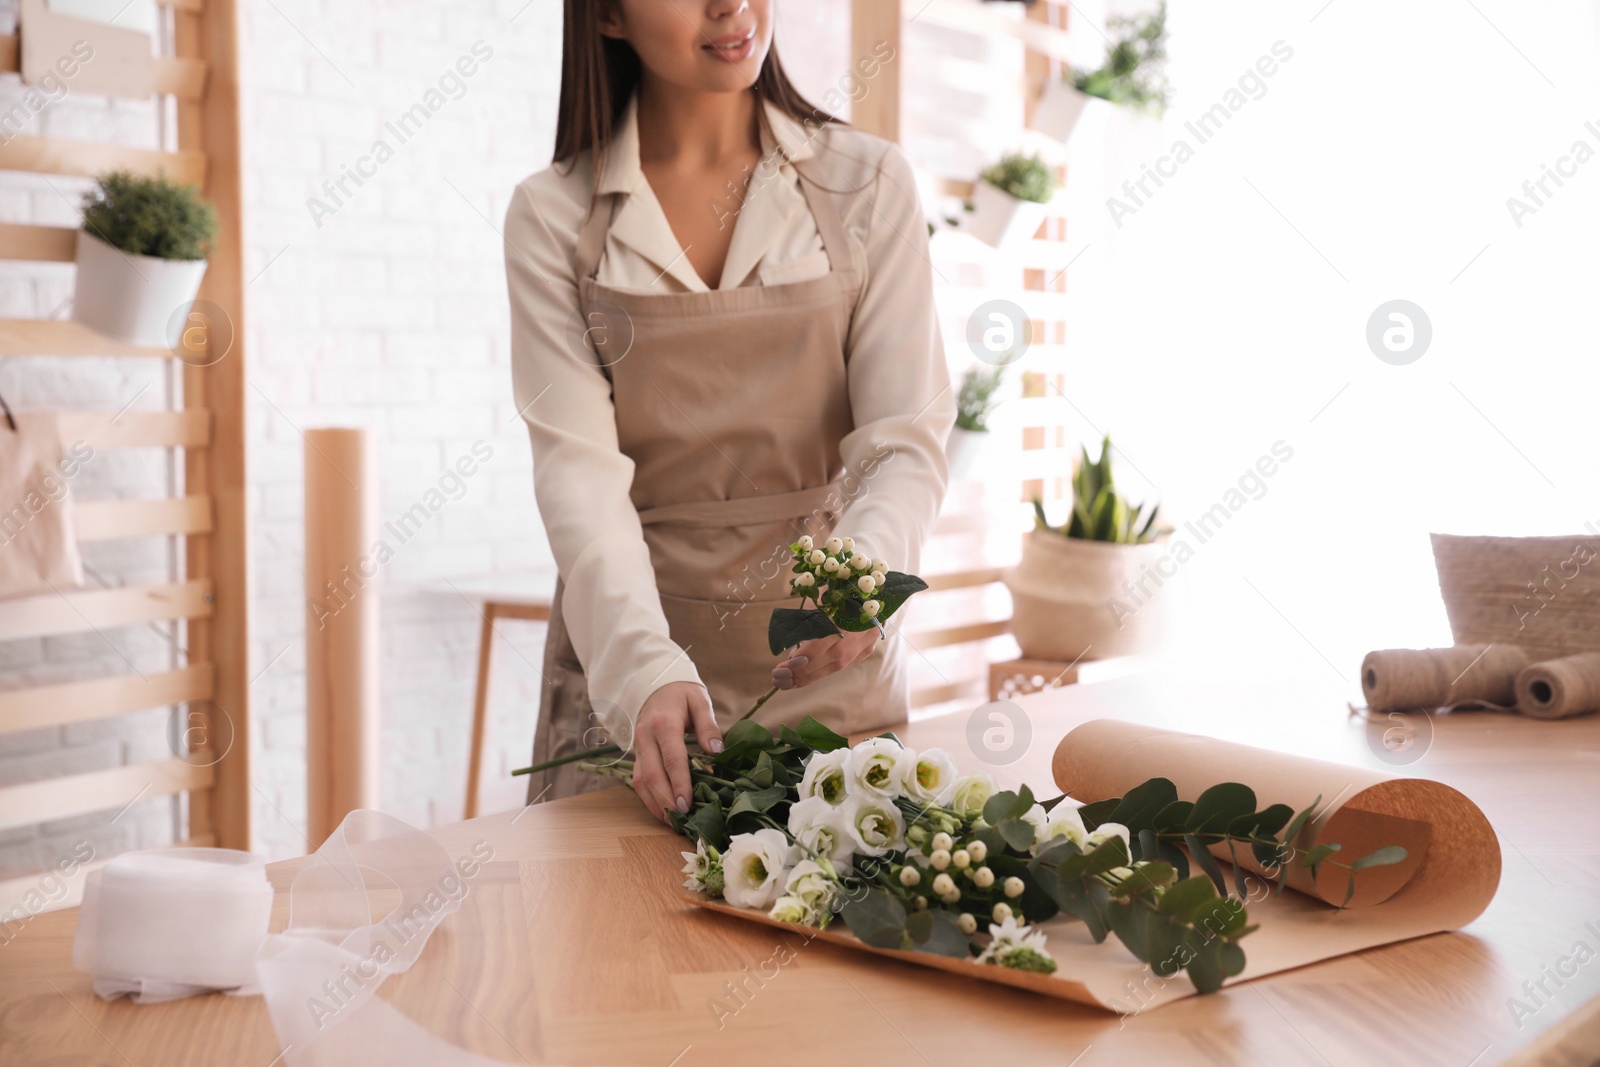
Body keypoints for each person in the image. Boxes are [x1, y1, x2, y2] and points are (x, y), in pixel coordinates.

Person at [505, 0, 954, 823]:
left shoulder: (868, 184)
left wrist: (860, 587)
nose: (731, 5)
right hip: (635, 703)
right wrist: (645, 670)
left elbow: (903, 445)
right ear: (606, 15)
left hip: (833, 681)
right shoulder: (553, 217)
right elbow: (579, 478)